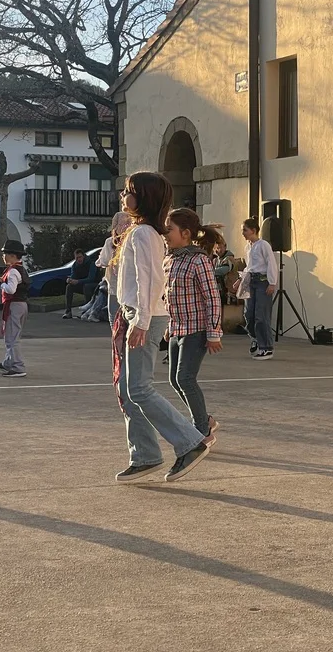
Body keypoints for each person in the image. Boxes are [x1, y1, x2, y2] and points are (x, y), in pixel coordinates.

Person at [112, 172, 210, 484]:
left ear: (144, 197)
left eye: (129, 191)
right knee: (128, 389)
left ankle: (190, 442)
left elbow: (151, 280)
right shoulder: (143, 232)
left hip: (145, 316)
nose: (124, 195)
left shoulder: (143, 233)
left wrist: (139, 322)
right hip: (139, 314)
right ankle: (145, 455)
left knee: (139, 388)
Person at [163, 207, 224, 444]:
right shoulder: (169, 259)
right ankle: (205, 419)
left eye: (169, 229)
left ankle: (202, 431)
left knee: (186, 378)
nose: (165, 234)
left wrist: (213, 333)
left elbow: (212, 298)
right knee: (175, 380)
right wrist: (168, 326)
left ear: (186, 233)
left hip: (196, 330)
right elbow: (168, 297)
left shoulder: (199, 260)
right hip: (177, 329)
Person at [239, 218, 279, 359]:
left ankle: (266, 347)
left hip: (263, 282)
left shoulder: (263, 245)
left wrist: (272, 282)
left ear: (253, 230)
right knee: (248, 314)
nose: (243, 233)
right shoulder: (248, 247)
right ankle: (255, 338)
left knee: (261, 315)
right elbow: (249, 266)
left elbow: (271, 263)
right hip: (251, 281)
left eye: (245, 230)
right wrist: (240, 280)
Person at [0, 239, 30, 378]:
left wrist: (1, 284)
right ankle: (8, 362)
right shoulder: (20, 269)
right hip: (21, 304)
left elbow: (10, 289)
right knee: (13, 335)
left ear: (13, 256)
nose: (3, 256)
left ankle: (18, 367)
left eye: (5, 254)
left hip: (14, 304)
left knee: (11, 337)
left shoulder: (13, 271)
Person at [100, 210, 132, 321]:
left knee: (113, 317)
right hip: (129, 286)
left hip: (114, 285)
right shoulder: (132, 241)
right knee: (128, 317)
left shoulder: (110, 242)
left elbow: (104, 261)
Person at [63, 248, 97, 318]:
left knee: (87, 286)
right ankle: (68, 312)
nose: (79, 259)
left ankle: (87, 311)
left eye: (80, 257)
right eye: (77, 258)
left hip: (94, 285)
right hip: (82, 284)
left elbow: (91, 278)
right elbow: (73, 276)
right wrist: (70, 280)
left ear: (83, 256)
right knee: (69, 287)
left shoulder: (91, 263)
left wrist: (78, 281)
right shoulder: (75, 265)